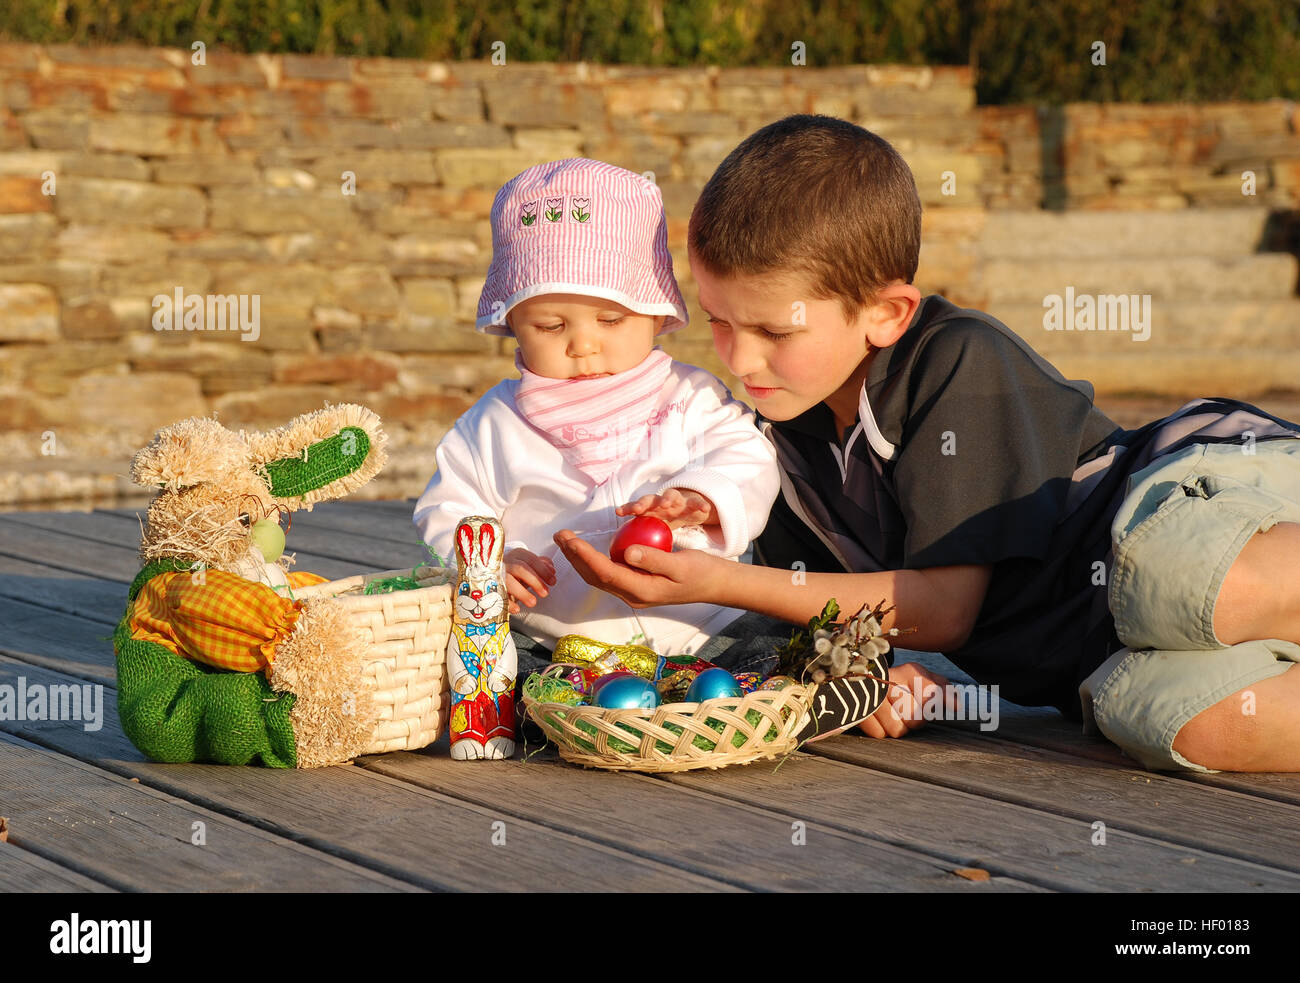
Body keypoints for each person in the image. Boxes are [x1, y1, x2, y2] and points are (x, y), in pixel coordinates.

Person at [552, 115, 1300, 774]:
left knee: (1166, 579)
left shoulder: (954, 362)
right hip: (1100, 654)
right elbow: (824, 612)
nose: (739, 360)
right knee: (1179, 723)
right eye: (717, 319)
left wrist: (716, 580)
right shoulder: (775, 451)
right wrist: (889, 671)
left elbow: (943, 608)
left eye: (776, 331)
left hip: (1197, 500)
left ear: (885, 312)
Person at [413, 158, 781, 669]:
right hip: (555, 637)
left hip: (700, 625)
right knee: (482, 663)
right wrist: (488, 562)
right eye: (548, 325)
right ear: (512, 323)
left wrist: (704, 496)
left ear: (656, 313)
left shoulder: (689, 397)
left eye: (611, 319)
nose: (583, 345)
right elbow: (446, 507)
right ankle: (560, 707)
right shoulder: (492, 425)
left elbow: (748, 456)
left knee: (780, 640)